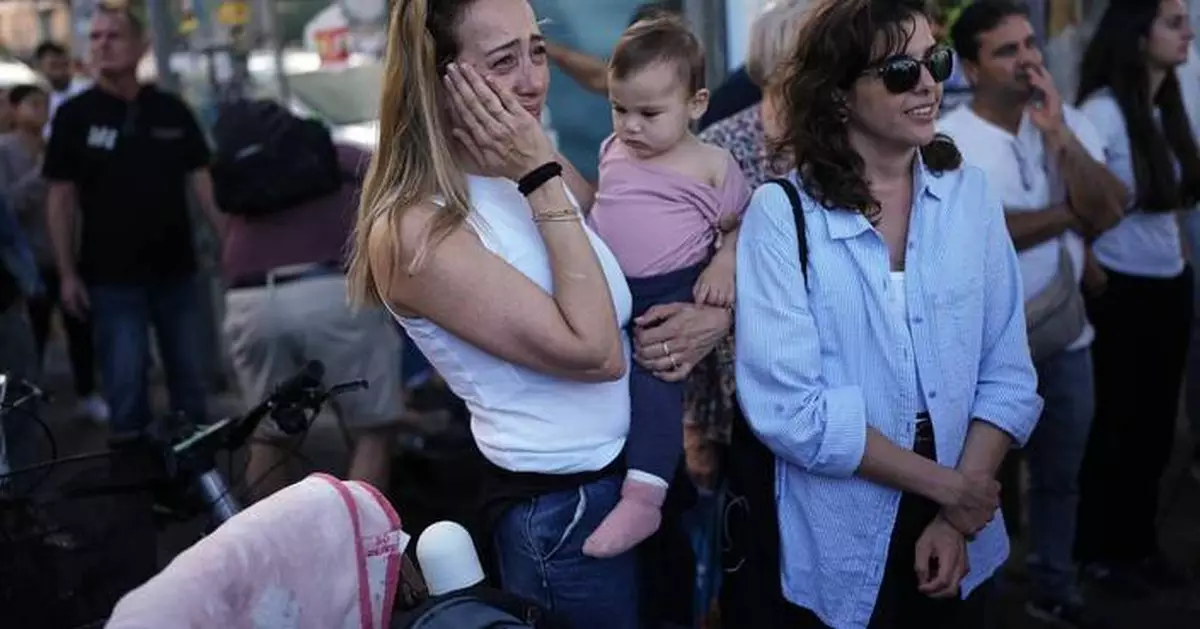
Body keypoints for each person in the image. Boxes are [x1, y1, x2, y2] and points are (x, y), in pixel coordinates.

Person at [346, 1, 731, 628]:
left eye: (538, 50)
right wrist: (540, 173)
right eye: (503, 61)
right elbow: (595, 352)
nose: (532, 79)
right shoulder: (414, 224)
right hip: (565, 511)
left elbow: (638, 247)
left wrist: (716, 308)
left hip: (638, 474)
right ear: (435, 78)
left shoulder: (517, 164)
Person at [735, 0, 1042, 627]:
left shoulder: (969, 195)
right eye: (902, 71)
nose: (929, 83)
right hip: (843, 522)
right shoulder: (782, 213)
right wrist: (948, 490)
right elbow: (790, 410)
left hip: (967, 494)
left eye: (935, 60)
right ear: (840, 94)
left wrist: (958, 512)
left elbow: (1007, 371)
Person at [940, 2, 1128, 624]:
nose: (1028, 60)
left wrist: (1058, 136)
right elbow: (977, 237)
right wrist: (1070, 218)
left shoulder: (1065, 120)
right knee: (976, 488)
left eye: (1030, 45)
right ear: (970, 66)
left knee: (1061, 476)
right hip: (982, 350)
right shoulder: (949, 143)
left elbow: (1110, 208)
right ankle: (979, 594)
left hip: (1064, 336)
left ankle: (1052, 583)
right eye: (1006, 50)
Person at [583, 16, 750, 559]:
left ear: (697, 104)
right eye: (619, 108)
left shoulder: (712, 165)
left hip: (668, 291)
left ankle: (644, 497)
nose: (630, 126)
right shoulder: (613, 149)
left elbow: (744, 225)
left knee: (657, 382)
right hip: (607, 285)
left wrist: (724, 265)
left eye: (649, 113)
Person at [43, 7, 224, 433]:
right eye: (96, 36)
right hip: (110, 280)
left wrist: (231, 246)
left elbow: (204, 184)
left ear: (142, 47)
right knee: (126, 390)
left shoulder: (170, 110)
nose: (102, 43)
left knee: (191, 386)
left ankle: (195, 483)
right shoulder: (74, 116)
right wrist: (67, 274)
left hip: (177, 274)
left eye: (114, 35)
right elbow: (60, 198)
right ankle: (135, 482)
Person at [1073, 0, 1200, 596]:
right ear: (1137, 33)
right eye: (1174, 22)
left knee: (1153, 428)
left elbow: (1173, 200)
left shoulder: (1164, 104)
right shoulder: (1101, 111)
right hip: (1121, 291)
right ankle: (1101, 552)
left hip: (1168, 282)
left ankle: (1137, 544)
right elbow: (1079, 205)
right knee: (1119, 425)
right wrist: (1092, 265)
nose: (1188, 32)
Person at [220, 140, 406, 497]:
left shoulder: (245, 172)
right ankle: (357, 542)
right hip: (328, 290)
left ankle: (275, 545)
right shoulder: (347, 156)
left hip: (250, 299)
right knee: (374, 428)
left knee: (269, 432)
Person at [0, 84, 107, 423]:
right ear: (14, 110)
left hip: (65, 256)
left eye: (44, 104)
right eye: (32, 104)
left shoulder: (53, 146)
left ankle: (87, 393)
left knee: (80, 329)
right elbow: (10, 207)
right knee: (34, 335)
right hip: (30, 261)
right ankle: (31, 401)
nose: (41, 111)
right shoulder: (4, 151)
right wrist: (42, 174)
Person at [35, 42, 89, 138]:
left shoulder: (85, 90)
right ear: (40, 67)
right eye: (53, 65)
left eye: (63, 65)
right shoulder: (40, 98)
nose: (59, 71)